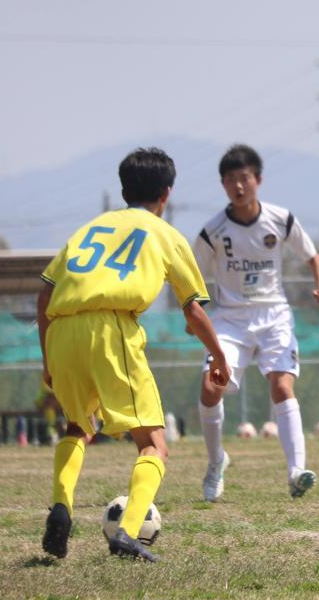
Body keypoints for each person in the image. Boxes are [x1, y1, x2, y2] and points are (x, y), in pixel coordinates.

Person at [37, 147, 229, 562]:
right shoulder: (165, 235)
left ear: (124, 191)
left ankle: (61, 505)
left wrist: (48, 360)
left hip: (63, 329)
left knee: (77, 426)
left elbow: (44, 296)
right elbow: (194, 309)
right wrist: (218, 355)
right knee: (153, 444)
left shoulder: (89, 229)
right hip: (110, 328)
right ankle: (127, 532)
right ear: (167, 194)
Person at [193, 144, 319, 500]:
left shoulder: (281, 219)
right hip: (229, 320)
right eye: (230, 180)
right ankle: (216, 462)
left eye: (244, 178)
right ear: (223, 185)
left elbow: (314, 257)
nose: (238, 186)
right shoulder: (213, 232)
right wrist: (193, 313)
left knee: (282, 386)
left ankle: (296, 471)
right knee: (211, 387)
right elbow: (192, 278)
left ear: (258, 179)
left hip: (274, 317)